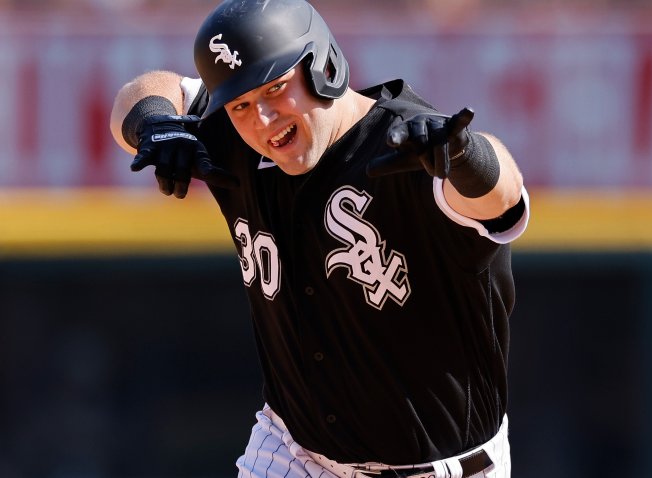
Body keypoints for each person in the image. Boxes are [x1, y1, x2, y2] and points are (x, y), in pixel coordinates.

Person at [109, 0, 529, 476]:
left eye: (276, 89)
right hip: (294, 450)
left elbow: (504, 199)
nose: (262, 118)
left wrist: (466, 154)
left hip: (439, 465)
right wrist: (155, 122)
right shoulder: (234, 137)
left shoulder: (411, 147)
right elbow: (141, 92)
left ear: (323, 65)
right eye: (242, 104)